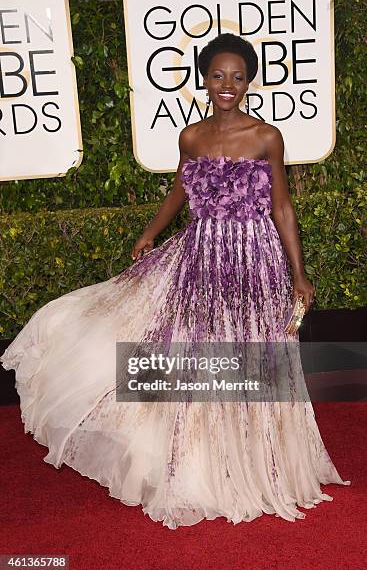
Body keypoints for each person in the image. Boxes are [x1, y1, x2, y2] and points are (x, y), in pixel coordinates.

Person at [1, 33, 349, 529]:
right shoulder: (191, 136)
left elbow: (282, 206)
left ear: (250, 81)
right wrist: (149, 233)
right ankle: (200, 466)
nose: (227, 84)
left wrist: (299, 273)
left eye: (238, 76)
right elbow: (179, 191)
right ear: (203, 79)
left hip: (255, 259)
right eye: (218, 75)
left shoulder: (267, 136)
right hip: (201, 257)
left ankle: (257, 463)